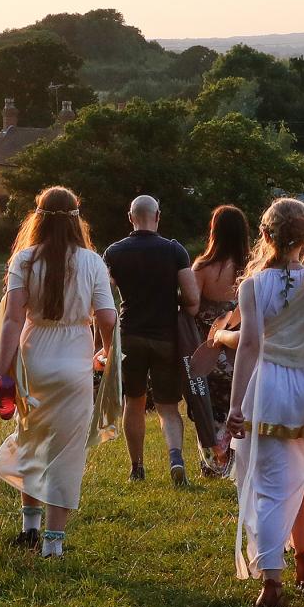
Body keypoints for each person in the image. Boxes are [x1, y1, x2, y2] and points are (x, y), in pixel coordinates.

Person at [221, 197, 304, 607]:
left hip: (268, 385)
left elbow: (251, 344)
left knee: (268, 484)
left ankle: (271, 581)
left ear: (265, 235)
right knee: (296, 474)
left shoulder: (254, 285)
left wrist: (235, 405)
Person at [0, 186, 120, 557]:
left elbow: (13, 318)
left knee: (31, 437)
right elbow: (107, 318)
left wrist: (4, 373)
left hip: (34, 359)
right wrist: (108, 357)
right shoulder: (93, 262)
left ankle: (29, 527)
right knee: (65, 450)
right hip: (74, 361)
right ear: (78, 217)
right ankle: (53, 544)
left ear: (38, 217)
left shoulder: (24, 260)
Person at [102, 194, 200, 485]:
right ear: (158, 216)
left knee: (133, 402)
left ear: (130, 217)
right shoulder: (174, 250)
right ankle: (175, 458)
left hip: (130, 335)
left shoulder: (114, 252)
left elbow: (103, 296)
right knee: (168, 406)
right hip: (166, 337)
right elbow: (193, 300)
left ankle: (137, 468)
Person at [189, 204, 249, 478]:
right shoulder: (251, 269)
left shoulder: (202, 268)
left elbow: (189, 307)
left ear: (214, 231)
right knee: (239, 409)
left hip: (210, 354)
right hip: (242, 354)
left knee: (207, 410)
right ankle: (239, 462)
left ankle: (213, 464)